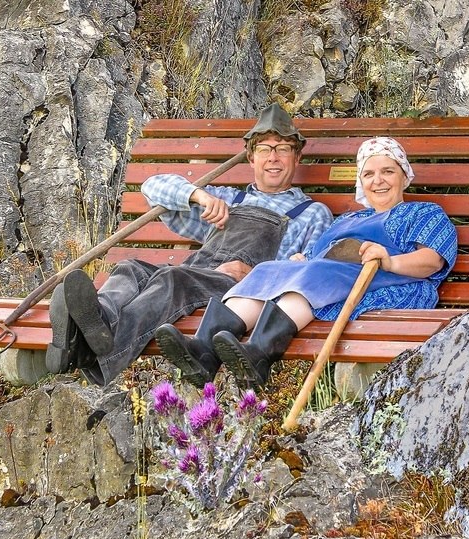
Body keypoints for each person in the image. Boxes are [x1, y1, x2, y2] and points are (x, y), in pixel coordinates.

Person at [46, 103, 334, 387]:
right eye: (264, 149)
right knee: (131, 269)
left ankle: (92, 353)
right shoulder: (227, 199)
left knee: (173, 278)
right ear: (251, 157)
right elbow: (152, 188)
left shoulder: (311, 213)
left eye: (283, 148)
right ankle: (98, 323)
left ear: (296, 158)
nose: (273, 157)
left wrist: (255, 274)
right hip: (198, 274)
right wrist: (198, 196)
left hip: (238, 291)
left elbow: (307, 275)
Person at [155, 137, 458, 389]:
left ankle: (260, 353)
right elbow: (317, 255)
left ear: (404, 175)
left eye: (388, 171)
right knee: (269, 269)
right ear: (360, 182)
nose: (378, 181)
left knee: (317, 271)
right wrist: (302, 259)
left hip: (389, 279)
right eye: (369, 174)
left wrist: (390, 261)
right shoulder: (350, 218)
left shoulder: (424, 213)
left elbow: (431, 261)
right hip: (332, 277)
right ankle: (203, 351)